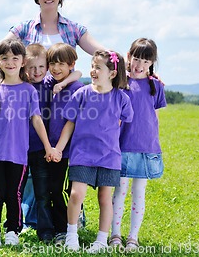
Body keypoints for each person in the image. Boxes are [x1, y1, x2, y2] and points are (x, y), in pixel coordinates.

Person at [0, 39, 59, 247]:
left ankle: (13, 230)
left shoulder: (28, 91)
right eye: (5, 58)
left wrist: (48, 146)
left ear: (23, 61)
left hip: (17, 153)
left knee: (14, 193)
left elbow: (37, 120)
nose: (10, 62)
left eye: (15, 58)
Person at [55, 50, 134, 253]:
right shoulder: (81, 93)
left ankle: (101, 241)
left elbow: (119, 123)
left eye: (98, 67)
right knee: (75, 195)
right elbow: (70, 123)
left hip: (109, 157)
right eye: (92, 66)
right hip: (82, 154)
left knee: (104, 199)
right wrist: (59, 148)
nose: (93, 71)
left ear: (112, 74)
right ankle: (71, 236)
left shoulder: (121, 98)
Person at [0, 0, 104, 93]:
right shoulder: (24, 28)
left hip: (64, 95)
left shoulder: (74, 29)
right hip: (33, 95)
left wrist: (121, 62)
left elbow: (103, 53)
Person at [110, 38, 167, 252]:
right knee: (119, 192)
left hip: (146, 146)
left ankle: (133, 237)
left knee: (139, 192)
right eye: (136, 58)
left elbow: (155, 118)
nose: (139, 64)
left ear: (152, 62)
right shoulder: (121, 82)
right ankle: (115, 235)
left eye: (145, 60)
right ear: (129, 56)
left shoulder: (156, 85)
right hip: (122, 145)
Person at [44, 43, 85, 245]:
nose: (56, 68)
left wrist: (59, 148)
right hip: (52, 147)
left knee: (69, 189)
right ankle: (61, 226)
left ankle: (68, 225)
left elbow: (79, 73)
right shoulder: (49, 82)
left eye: (61, 63)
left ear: (70, 64)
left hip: (71, 149)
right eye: (52, 63)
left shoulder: (77, 88)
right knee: (54, 187)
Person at [23, 43, 51, 241]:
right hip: (21, 148)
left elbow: (76, 73)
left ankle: (46, 230)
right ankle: (18, 225)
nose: (37, 72)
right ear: (24, 67)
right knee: (19, 190)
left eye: (41, 67)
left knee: (42, 192)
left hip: (42, 147)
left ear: (47, 66)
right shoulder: (21, 86)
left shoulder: (50, 85)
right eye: (32, 67)